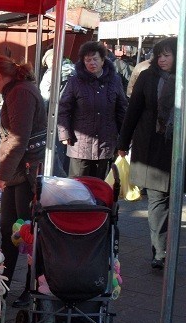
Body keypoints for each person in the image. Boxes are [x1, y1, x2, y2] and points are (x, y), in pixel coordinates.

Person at [0, 55, 48, 308]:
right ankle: (4, 283)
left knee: (28, 233)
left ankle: (34, 287)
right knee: (9, 228)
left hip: (26, 171)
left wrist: (2, 176)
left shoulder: (20, 93)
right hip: (18, 171)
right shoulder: (15, 91)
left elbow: (19, 139)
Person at [116, 37, 178, 270]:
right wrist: (123, 142)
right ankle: (159, 252)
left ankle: (168, 246)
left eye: (167, 55)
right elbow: (132, 111)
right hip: (151, 147)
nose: (161, 59)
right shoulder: (147, 77)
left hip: (177, 149)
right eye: (159, 55)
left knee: (173, 199)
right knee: (157, 200)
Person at [57, 41, 128, 179]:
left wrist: (124, 139)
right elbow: (64, 109)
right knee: (78, 186)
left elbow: (122, 110)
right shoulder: (75, 81)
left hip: (105, 142)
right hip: (79, 144)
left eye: (95, 59)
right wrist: (64, 134)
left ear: (103, 60)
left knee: (99, 186)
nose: (91, 63)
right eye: (87, 60)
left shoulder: (114, 80)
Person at [39, 48, 75, 176]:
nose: (47, 66)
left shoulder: (51, 73)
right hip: (74, 119)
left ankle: (57, 180)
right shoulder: (76, 71)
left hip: (55, 118)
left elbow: (44, 98)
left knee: (55, 152)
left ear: (51, 59)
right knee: (69, 153)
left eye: (47, 63)